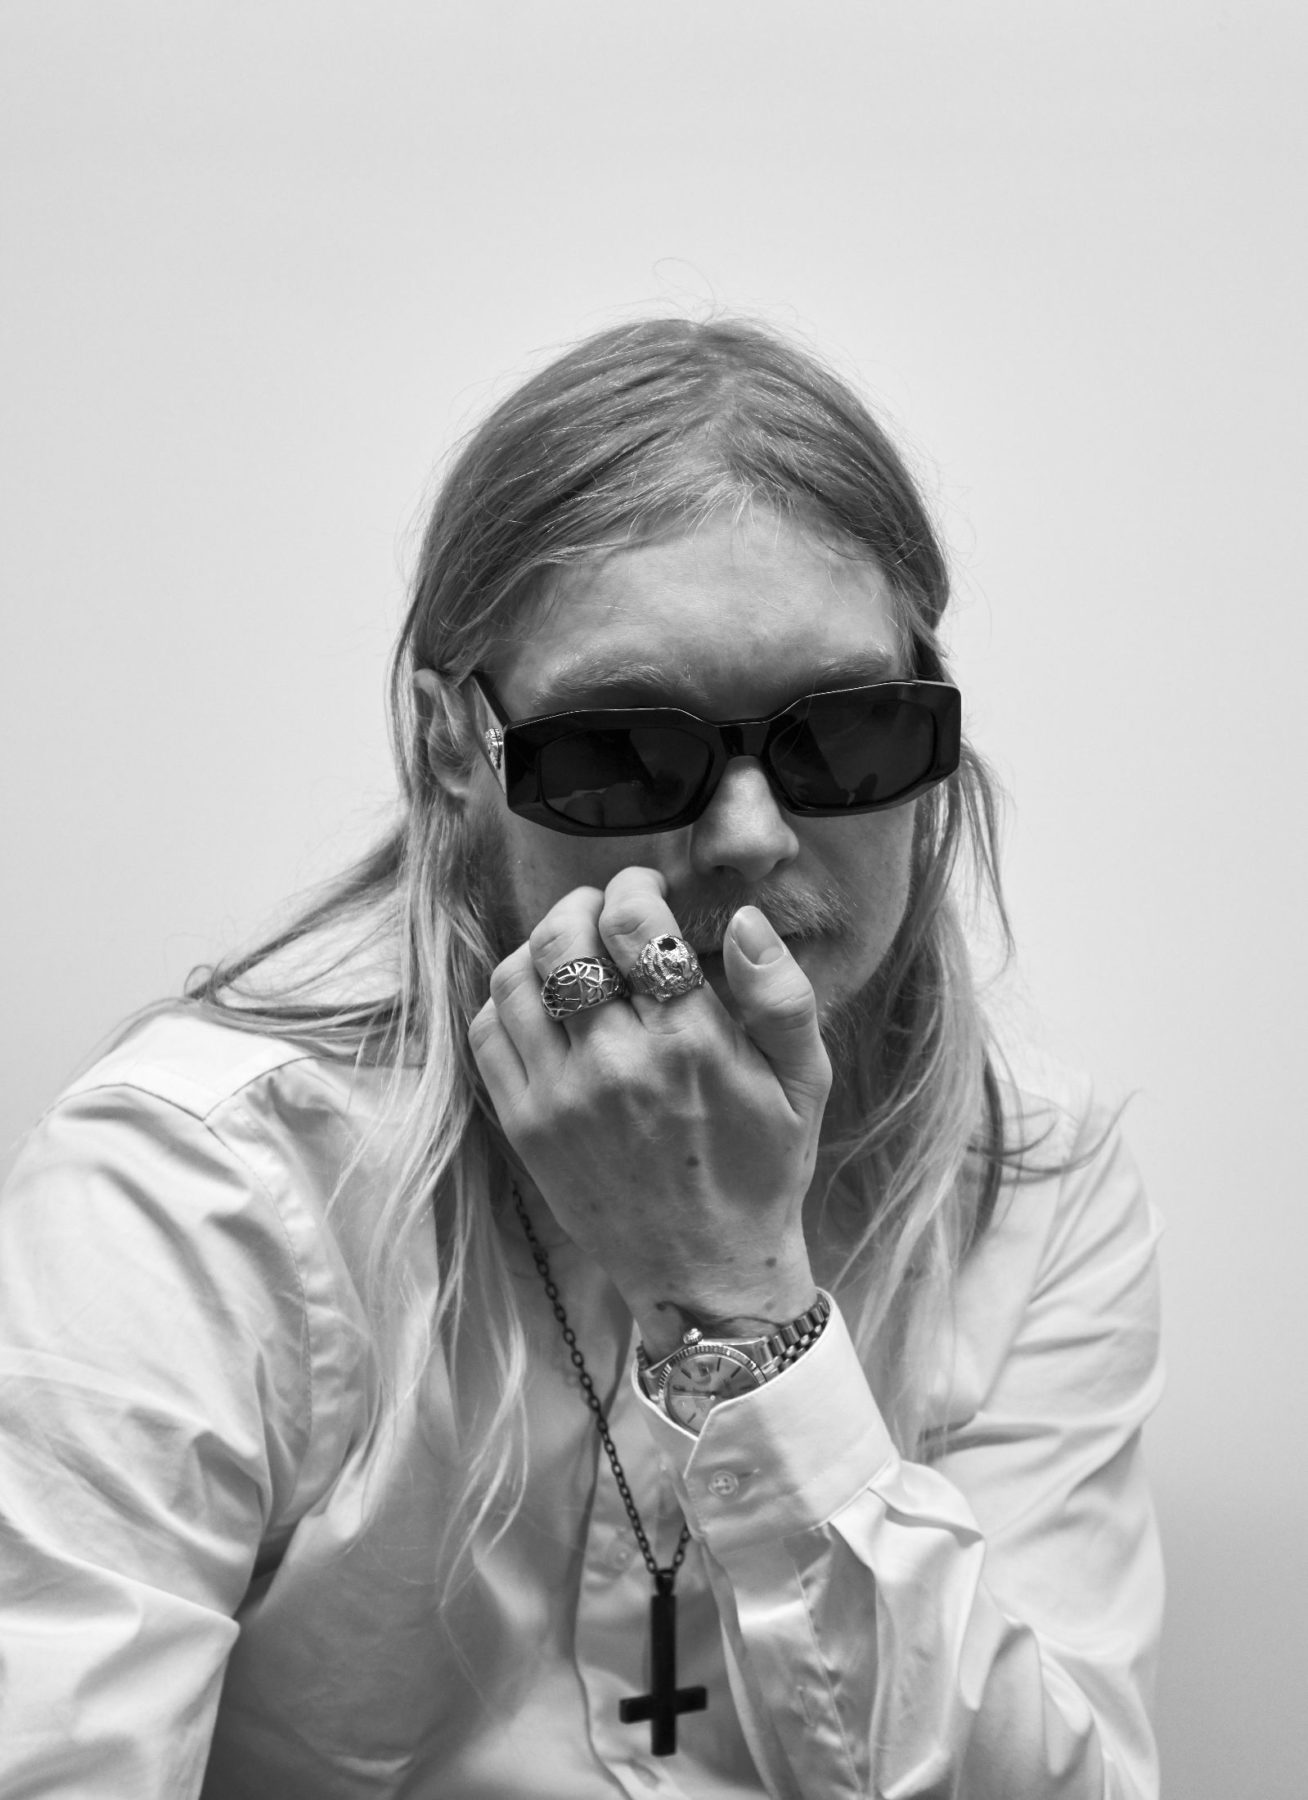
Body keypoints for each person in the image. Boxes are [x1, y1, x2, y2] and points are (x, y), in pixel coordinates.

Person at [0, 318, 1165, 1799]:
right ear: (451, 746)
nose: (750, 836)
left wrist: (744, 1301)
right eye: (623, 748)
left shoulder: (1029, 1174)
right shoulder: (199, 1182)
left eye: (849, 732)